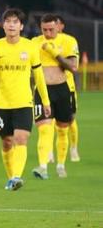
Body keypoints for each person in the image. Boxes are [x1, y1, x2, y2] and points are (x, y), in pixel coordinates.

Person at [0, 9, 50, 191]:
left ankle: (16, 176)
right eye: (8, 22)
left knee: (21, 138)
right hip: (2, 102)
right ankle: (11, 178)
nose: (11, 25)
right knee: (6, 142)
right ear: (3, 25)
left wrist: (45, 101)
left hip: (24, 102)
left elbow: (39, 76)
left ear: (21, 26)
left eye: (15, 22)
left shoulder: (30, 47)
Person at [31, 14, 78, 180]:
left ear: (58, 26)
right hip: (42, 90)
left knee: (62, 129)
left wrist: (55, 53)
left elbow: (73, 67)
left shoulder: (68, 41)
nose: (48, 33)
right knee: (44, 129)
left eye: (51, 29)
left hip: (62, 89)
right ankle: (43, 167)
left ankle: (60, 165)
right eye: (44, 30)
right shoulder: (34, 42)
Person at [56, 16, 80, 162]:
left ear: (62, 26)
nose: (54, 26)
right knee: (48, 122)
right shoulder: (42, 42)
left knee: (70, 120)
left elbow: (74, 65)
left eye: (57, 23)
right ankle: (49, 153)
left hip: (67, 87)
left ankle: (73, 148)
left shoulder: (69, 41)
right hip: (48, 87)